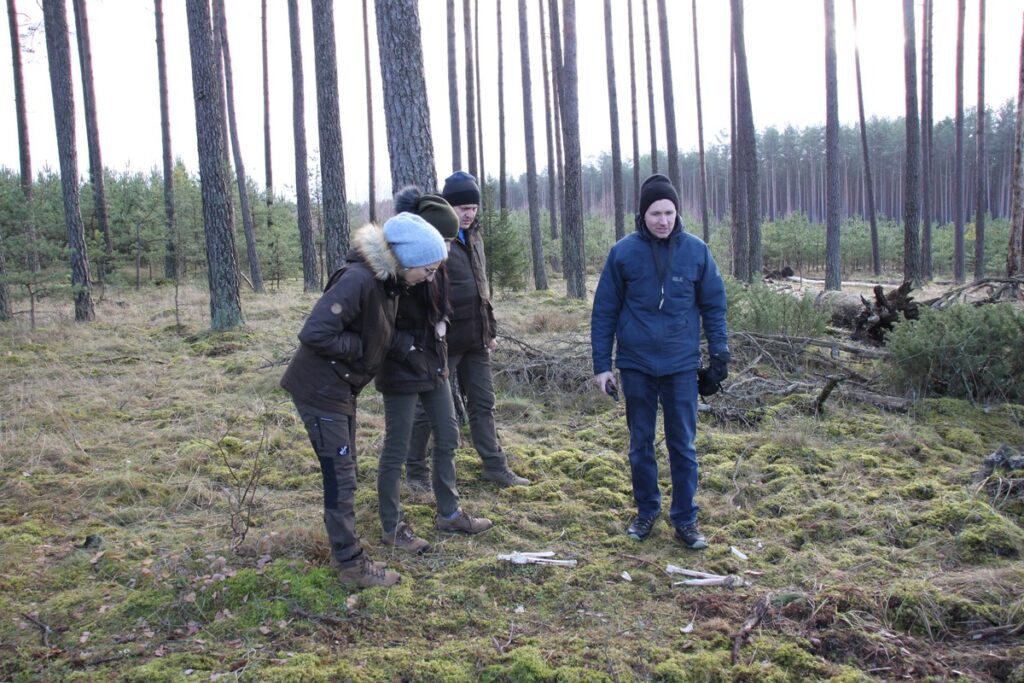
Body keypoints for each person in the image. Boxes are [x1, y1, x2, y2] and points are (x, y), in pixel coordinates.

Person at [281, 213, 448, 587]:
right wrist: (360, 349)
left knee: (346, 470)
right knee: (340, 477)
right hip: (321, 389)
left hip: (340, 389)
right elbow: (315, 333)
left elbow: (377, 328)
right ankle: (351, 566)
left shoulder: (387, 284)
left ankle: (347, 554)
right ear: (407, 259)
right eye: (428, 269)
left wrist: (404, 347)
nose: (430, 277)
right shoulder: (359, 279)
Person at [590, 173, 729, 550]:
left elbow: (714, 306)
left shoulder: (697, 251)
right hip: (636, 365)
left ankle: (685, 518)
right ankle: (647, 510)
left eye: (669, 212)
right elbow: (604, 311)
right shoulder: (623, 253)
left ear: (677, 213)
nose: (663, 220)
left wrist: (719, 355)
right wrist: (602, 365)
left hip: (681, 365)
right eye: (655, 213)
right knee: (641, 443)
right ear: (643, 215)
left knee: (683, 445)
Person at [376, 187, 493, 554]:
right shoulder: (392, 273)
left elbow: (442, 305)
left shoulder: (436, 266)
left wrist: (443, 322)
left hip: (434, 362)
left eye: (449, 242)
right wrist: (408, 348)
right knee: (396, 447)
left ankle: (449, 512)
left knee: (448, 433)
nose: (446, 250)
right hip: (401, 369)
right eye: (442, 241)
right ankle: (392, 525)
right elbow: (379, 326)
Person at [406, 171, 530, 488]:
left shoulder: (474, 237)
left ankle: (495, 466)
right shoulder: (435, 240)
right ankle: (416, 472)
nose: (469, 213)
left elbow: (481, 289)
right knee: (427, 410)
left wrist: (490, 330)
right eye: (462, 207)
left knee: (483, 404)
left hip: (476, 340)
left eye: (473, 207)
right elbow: (422, 290)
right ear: (449, 206)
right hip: (442, 342)